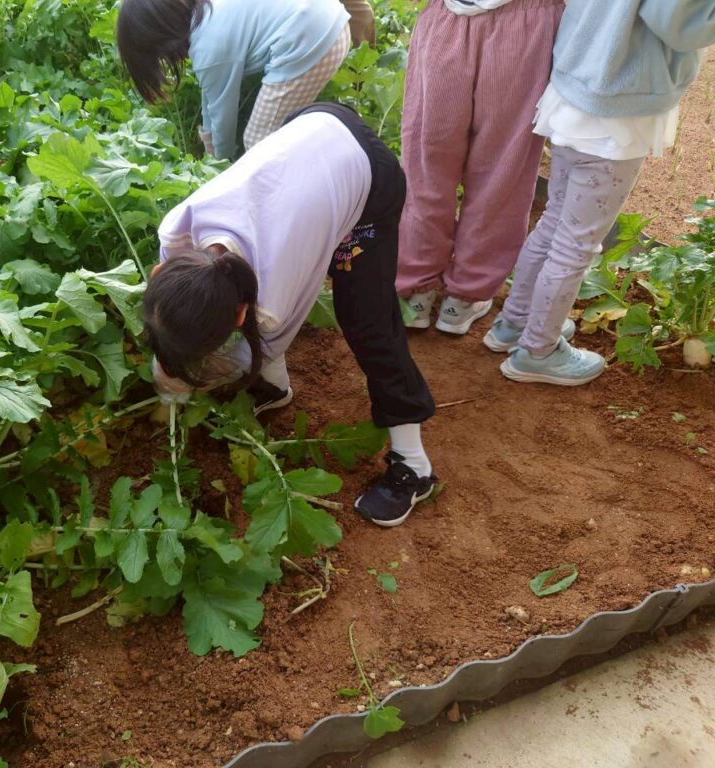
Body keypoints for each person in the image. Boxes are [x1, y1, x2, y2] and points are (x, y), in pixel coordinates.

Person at [144, 103, 438, 527]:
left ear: (241, 314)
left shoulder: (274, 301)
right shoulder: (177, 230)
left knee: (367, 320)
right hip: (306, 131)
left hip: (369, 175)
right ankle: (276, 389)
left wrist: (203, 377)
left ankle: (414, 466)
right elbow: (180, 312)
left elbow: (262, 341)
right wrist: (167, 367)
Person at [485, 0, 715, 385]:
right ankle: (538, 350)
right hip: (617, 107)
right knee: (576, 244)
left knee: (554, 222)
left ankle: (516, 323)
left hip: (574, 87)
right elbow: (678, 23)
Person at [394, 0, 565, 334]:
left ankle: (416, 293)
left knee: (427, 164)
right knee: (502, 170)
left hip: (447, 18)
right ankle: (463, 299)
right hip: (526, 26)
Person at [116, 0, 360, 161]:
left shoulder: (208, 47)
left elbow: (223, 116)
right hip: (327, 21)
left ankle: (303, 184)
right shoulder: (208, 15)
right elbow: (211, 97)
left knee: (258, 146)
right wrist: (208, 143)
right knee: (270, 140)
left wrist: (220, 167)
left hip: (316, 41)